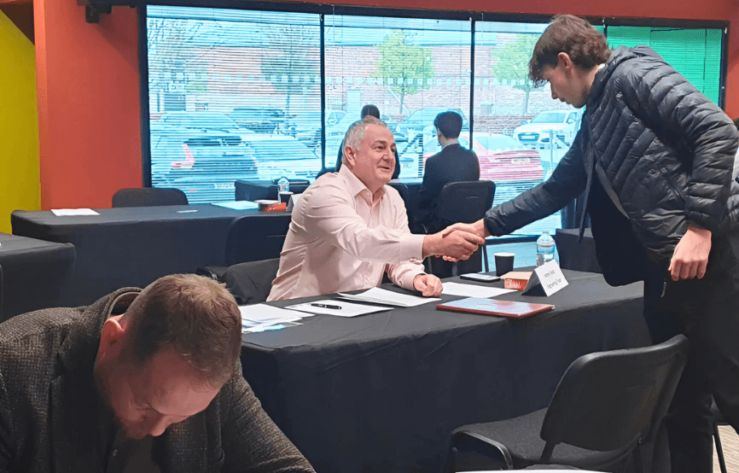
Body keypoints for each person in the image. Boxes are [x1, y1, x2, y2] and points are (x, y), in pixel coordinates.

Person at [444, 15, 739, 473]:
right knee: (682, 405)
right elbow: (558, 189)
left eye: (550, 82)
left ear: (566, 61)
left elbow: (716, 130)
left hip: (709, 253)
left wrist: (699, 228)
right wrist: (484, 226)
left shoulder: (633, 74)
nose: (553, 94)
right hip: (666, 266)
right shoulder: (597, 115)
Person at [0, 274, 314, 472]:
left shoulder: (218, 378)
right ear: (112, 339)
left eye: (181, 417)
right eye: (146, 406)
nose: (158, 430)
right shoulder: (12, 367)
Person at [268, 117, 483, 301]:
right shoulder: (325, 191)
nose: (390, 157)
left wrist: (416, 278)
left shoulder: (392, 197)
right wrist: (434, 243)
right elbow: (361, 241)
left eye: (392, 149)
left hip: (356, 311)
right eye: (379, 148)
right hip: (296, 315)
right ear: (351, 154)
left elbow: (399, 259)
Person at [416, 111, 481, 233]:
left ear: (439, 131)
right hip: (469, 222)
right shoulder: (472, 157)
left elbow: (425, 199)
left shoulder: (433, 162)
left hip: (441, 225)